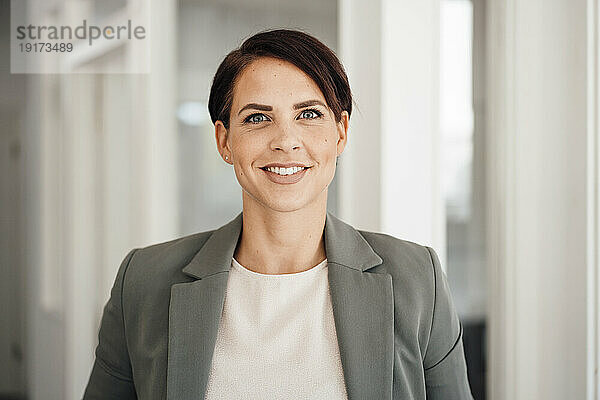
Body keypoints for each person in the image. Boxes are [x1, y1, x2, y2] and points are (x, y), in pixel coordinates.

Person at [83, 29, 473, 400]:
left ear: (341, 132)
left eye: (308, 115)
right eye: (257, 117)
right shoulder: (144, 281)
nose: (286, 141)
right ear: (224, 141)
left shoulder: (417, 280)